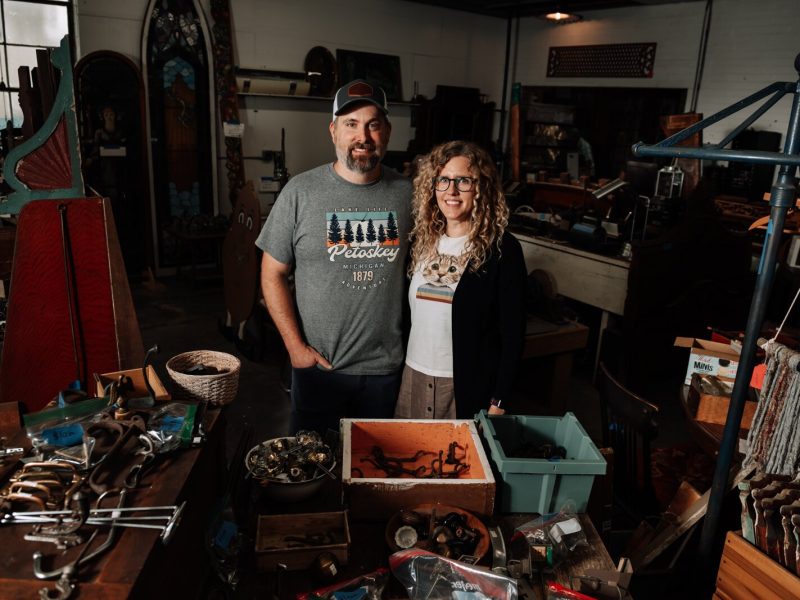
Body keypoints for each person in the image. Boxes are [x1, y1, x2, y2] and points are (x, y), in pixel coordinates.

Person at [256, 79, 412, 435]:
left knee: (373, 475)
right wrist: (296, 349)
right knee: (312, 469)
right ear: (333, 131)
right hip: (319, 371)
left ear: (387, 132)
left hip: (385, 372)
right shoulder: (300, 192)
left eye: (373, 124)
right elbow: (272, 273)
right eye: (351, 124)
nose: (363, 137)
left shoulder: (408, 195)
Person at [394, 140, 527, 420]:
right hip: (413, 375)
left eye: (464, 181)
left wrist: (500, 399)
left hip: (464, 386)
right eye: (443, 180)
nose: (451, 191)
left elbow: (513, 334)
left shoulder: (502, 249)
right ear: (433, 186)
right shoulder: (421, 240)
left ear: (482, 187)